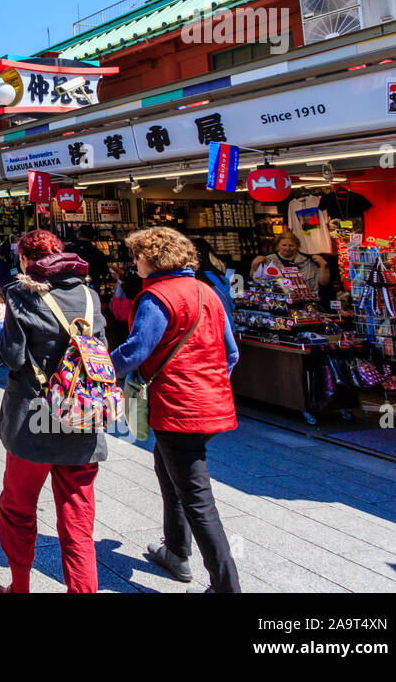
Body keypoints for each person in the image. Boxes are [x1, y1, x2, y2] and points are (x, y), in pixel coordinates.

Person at [112, 227, 241, 593]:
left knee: (197, 498)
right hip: (210, 404)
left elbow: (137, 350)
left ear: (152, 259)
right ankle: (176, 551)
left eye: (137, 257)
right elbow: (231, 353)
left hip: (178, 407)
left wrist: (100, 367)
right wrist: (209, 383)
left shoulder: (157, 297)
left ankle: (225, 585)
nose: (133, 263)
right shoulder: (208, 293)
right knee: (167, 468)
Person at [0, 230, 107, 593]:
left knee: (17, 508)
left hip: (33, 419)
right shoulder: (90, 296)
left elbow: (13, 356)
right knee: (77, 518)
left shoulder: (23, 294)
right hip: (81, 418)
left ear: (25, 259)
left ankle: (19, 587)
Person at [249, 230, 328, 294]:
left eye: (291, 245)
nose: (287, 248)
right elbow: (257, 280)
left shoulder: (307, 261)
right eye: (284, 245)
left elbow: (323, 282)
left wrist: (323, 265)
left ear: (297, 247)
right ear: (277, 246)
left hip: (305, 302)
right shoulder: (268, 260)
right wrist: (254, 265)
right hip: (277, 301)